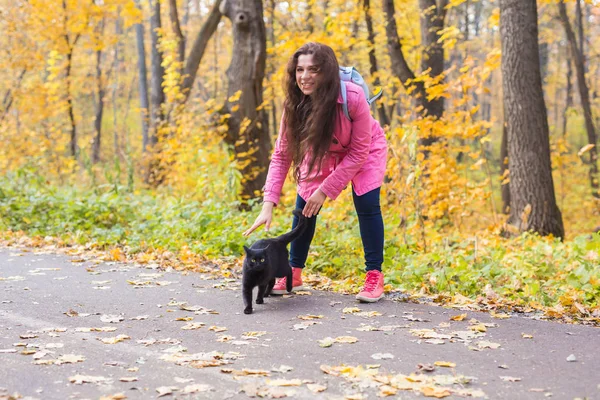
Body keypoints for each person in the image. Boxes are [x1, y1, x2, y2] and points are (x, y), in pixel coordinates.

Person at [243, 42, 388, 303]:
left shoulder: (352, 97)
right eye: (299, 70)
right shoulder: (294, 104)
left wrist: (325, 191)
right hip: (323, 152)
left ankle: (374, 275)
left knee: (367, 203)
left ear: (327, 72)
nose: (305, 76)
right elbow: (282, 154)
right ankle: (293, 272)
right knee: (304, 207)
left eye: (313, 70)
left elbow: (358, 153)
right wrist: (268, 204)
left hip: (364, 150)